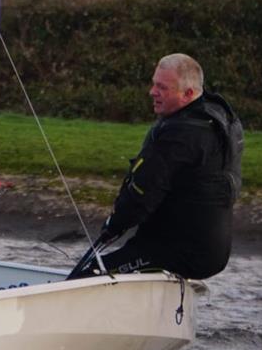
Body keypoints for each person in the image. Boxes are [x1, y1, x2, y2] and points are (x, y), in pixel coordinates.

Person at [68, 54, 243, 281]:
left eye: (162, 87)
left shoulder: (180, 135)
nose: (152, 92)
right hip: (206, 250)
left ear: (188, 93)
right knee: (125, 256)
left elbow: (143, 193)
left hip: (180, 252)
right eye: (153, 84)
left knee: (88, 276)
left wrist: (113, 225)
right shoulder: (216, 116)